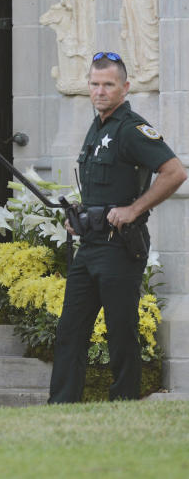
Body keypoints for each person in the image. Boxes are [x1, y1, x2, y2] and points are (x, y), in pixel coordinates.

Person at [49, 52, 185, 403]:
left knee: (120, 330)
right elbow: (100, 188)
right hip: (91, 245)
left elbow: (175, 171)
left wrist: (134, 208)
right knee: (70, 330)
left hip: (121, 247)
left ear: (124, 87)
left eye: (108, 84)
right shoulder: (97, 127)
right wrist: (79, 215)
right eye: (94, 84)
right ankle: (61, 405)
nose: (100, 91)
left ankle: (123, 402)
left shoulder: (131, 128)